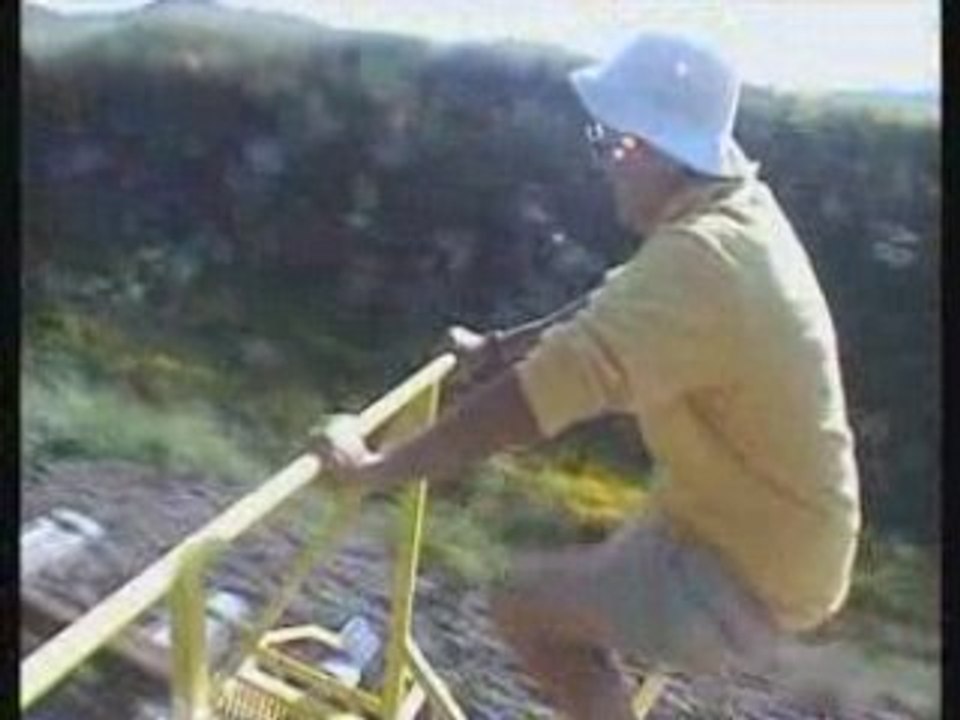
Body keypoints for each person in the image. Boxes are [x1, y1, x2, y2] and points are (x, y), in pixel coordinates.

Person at [314, 31, 862, 719]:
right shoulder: (734, 216)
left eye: (616, 143)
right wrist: (496, 349)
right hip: (738, 524)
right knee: (570, 599)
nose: (605, 162)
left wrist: (377, 467)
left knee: (523, 606)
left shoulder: (706, 259)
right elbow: (612, 308)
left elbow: (537, 400)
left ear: (663, 151)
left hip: (747, 570)